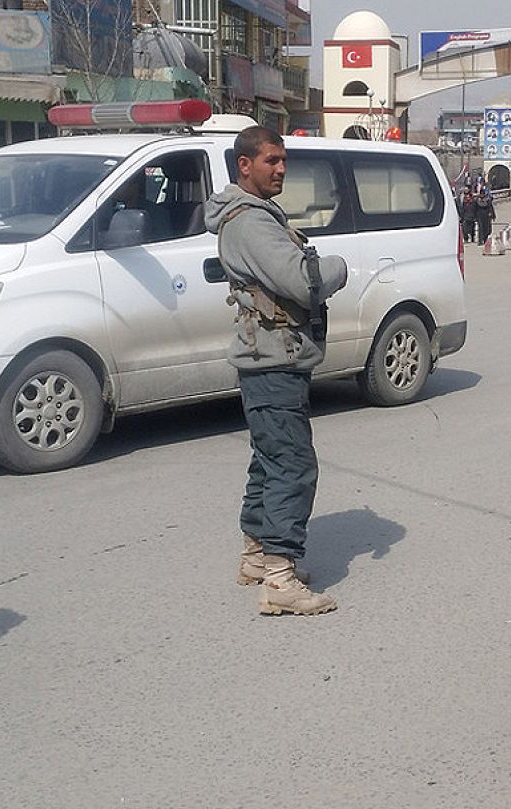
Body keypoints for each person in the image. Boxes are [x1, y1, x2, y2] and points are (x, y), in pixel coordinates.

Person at [205, 126, 349, 616]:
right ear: (244, 165)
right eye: (271, 161)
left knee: (268, 459)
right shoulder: (251, 222)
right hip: (273, 357)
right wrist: (339, 267)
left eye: (284, 160)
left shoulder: (251, 215)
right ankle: (281, 579)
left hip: (270, 354)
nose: (281, 169)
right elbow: (303, 282)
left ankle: (257, 556)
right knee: (292, 464)